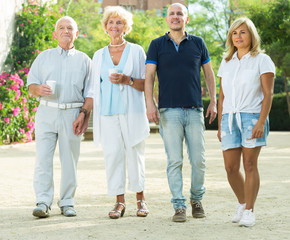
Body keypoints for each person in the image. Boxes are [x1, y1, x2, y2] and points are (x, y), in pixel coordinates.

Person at [145, 3, 217, 222]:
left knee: (199, 160)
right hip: (169, 111)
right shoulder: (156, 44)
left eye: (180, 14)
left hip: (195, 110)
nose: (175, 17)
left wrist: (213, 101)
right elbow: (149, 78)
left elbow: (209, 74)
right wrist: (150, 104)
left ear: (187, 19)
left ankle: (196, 200)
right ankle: (179, 205)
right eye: (172, 14)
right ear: (166, 19)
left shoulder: (198, 43)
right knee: (174, 161)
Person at [88, 6, 150, 219]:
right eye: (111, 22)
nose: (115, 26)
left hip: (131, 111)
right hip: (107, 113)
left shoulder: (137, 51)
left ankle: (141, 199)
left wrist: (127, 80)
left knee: (135, 154)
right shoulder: (97, 55)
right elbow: (94, 88)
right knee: (113, 156)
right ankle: (119, 202)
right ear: (105, 27)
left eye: (119, 22)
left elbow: (146, 84)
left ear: (126, 27)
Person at [27, 16, 93, 218]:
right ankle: (43, 201)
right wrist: (38, 89)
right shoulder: (43, 57)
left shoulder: (85, 60)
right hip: (46, 112)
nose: (65, 31)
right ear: (56, 33)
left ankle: (67, 202)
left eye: (70, 28)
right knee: (43, 159)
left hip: (72, 114)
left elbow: (90, 94)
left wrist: (83, 114)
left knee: (70, 160)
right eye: (61, 28)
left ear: (76, 33)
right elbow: (31, 86)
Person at [217, 17, 275, 227]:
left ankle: (250, 210)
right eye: (234, 33)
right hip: (228, 118)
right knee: (230, 168)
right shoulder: (226, 62)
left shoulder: (262, 60)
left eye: (243, 32)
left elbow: (268, 94)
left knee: (249, 165)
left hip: (252, 117)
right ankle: (242, 203)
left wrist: (261, 122)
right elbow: (221, 96)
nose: (238, 36)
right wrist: (220, 124)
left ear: (251, 35)